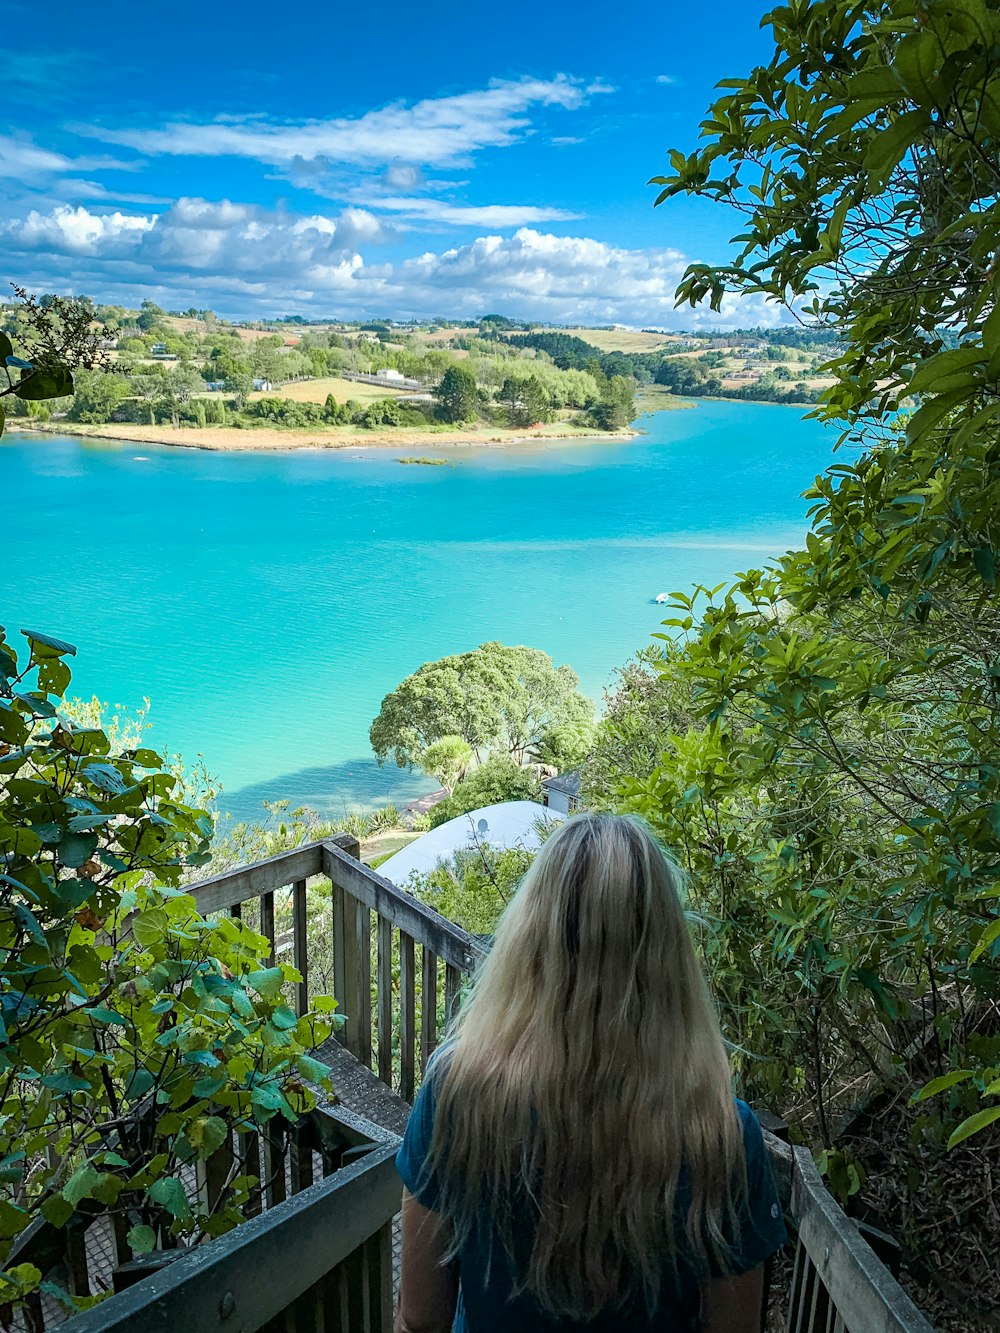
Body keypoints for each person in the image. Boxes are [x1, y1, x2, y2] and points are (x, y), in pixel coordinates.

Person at [395, 813, 786, 1332]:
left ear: (530, 940)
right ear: (667, 951)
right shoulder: (721, 1136)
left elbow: (420, 1321)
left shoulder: (457, 1094)